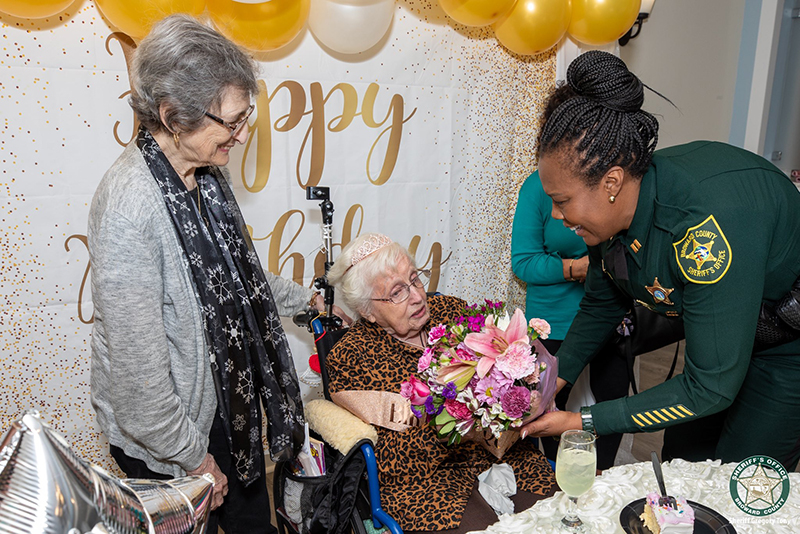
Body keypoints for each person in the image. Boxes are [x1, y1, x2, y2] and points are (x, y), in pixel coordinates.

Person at [88, 15, 347, 533]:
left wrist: (308, 301)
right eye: (231, 121)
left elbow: (240, 278)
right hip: (166, 437)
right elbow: (140, 384)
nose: (244, 133)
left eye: (246, 115)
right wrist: (195, 459)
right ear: (172, 115)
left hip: (225, 403)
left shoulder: (205, 172)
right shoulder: (128, 205)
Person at [520, 50, 800, 470]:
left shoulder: (700, 229)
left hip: (786, 350)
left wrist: (582, 421)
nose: (558, 216)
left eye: (562, 201)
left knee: (742, 480)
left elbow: (709, 388)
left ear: (611, 182)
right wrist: (550, 381)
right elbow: (602, 302)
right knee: (682, 464)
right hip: (724, 338)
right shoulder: (607, 218)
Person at [325, 233, 556, 534]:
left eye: (415, 279)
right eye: (397, 293)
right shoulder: (351, 357)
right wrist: (456, 430)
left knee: (560, 515)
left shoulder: (452, 312)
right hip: (426, 484)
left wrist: (522, 395)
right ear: (367, 311)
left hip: (502, 453)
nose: (418, 296)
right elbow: (389, 459)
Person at [511, 170, 628, 470]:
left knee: (605, 433)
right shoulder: (538, 186)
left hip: (610, 324)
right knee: (555, 441)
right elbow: (524, 262)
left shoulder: (616, 186)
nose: (558, 213)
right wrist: (580, 268)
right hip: (553, 325)